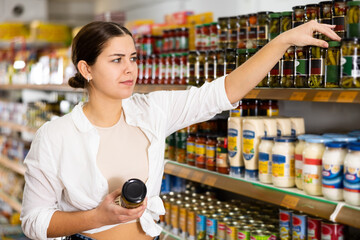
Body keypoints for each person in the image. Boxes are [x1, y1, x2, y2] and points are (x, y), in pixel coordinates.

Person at [20, 20, 340, 240]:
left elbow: (224, 91)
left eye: (133, 57)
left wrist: (283, 41)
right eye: (116, 60)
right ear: (86, 69)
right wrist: (97, 218)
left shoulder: (152, 112)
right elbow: (34, 222)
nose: (130, 68)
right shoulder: (56, 136)